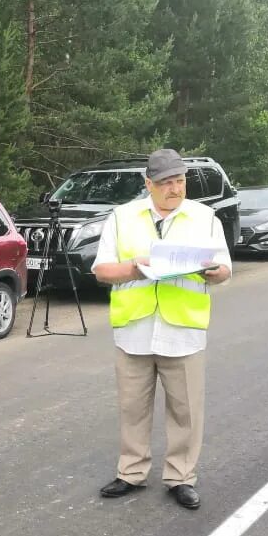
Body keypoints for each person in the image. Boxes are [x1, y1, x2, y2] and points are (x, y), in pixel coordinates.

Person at [92, 149, 232, 510]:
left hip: (183, 329)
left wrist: (216, 273)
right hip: (134, 328)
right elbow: (102, 271)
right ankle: (131, 472)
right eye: (167, 183)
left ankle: (181, 477)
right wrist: (135, 268)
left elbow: (225, 269)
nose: (175, 189)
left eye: (180, 181)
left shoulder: (205, 218)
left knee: (186, 410)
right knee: (133, 407)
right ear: (148, 184)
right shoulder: (121, 218)